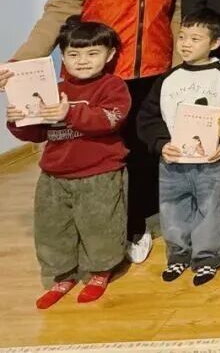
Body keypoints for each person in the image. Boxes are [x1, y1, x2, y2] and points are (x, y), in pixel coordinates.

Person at [1, 0, 183, 264]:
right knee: (102, 157)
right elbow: (59, 12)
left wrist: (182, 69)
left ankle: (135, 226)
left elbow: (177, 17)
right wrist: (21, 64)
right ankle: (99, 230)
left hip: (156, 73)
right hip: (103, 77)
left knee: (144, 155)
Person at [3, 19, 130, 309]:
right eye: (74, 54)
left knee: (101, 225)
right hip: (54, 174)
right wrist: (17, 119)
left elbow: (110, 119)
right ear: (62, 56)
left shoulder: (113, 86)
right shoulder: (52, 88)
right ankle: (62, 274)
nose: (82, 61)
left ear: (110, 55)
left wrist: (69, 114)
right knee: (52, 228)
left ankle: (100, 271)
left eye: (92, 53)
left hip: (100, 173)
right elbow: (36, 133)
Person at [135, 8, 220, 286]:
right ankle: (178, 254)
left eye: (195, 39)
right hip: (173, 162)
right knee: (173, 210)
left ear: (215, 43)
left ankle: (207, 257)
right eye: (183, 37)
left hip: (210, 163)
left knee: (211, 210)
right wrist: (162, 144)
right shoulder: (168, 79)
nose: (186, 44)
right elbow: (148, 118)